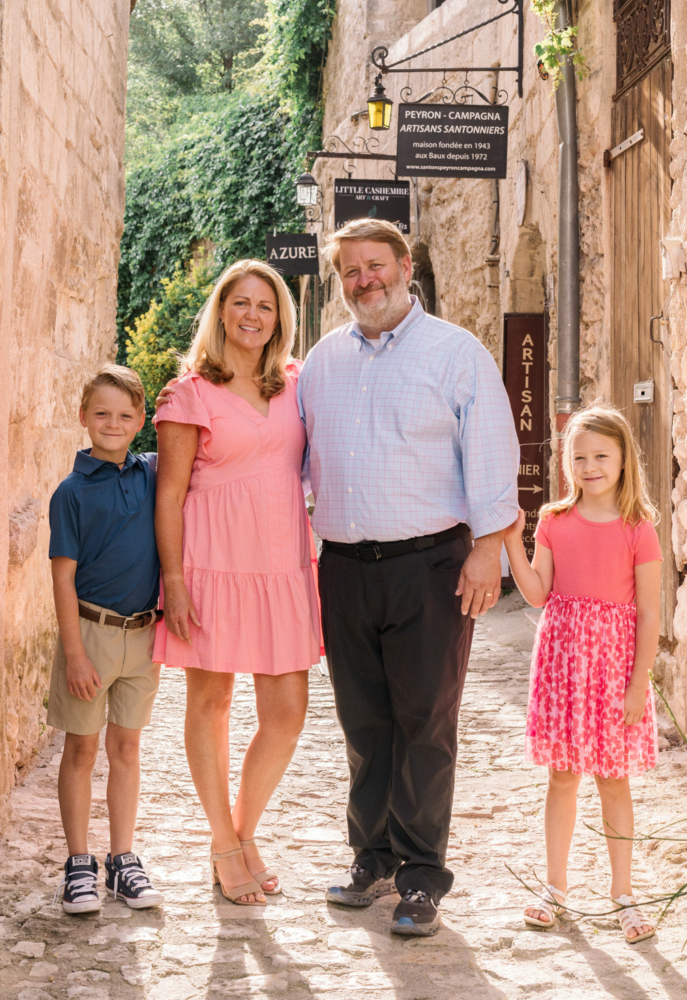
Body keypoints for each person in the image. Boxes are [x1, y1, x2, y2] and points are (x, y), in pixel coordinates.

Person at [297, 219, 520, 938]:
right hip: (344, 568)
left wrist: (489, 549)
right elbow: (299, 464)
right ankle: (372, 857)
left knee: (425, 721)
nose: (365, 280)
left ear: (403, 266)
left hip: (431, 566)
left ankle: (422, 875)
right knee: (363, 723)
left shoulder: (456, 354)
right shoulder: (323, 362)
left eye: (375, 265)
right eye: (351, 272)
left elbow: (490, 452)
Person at [154, 259, 320, 906]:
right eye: (241, 302)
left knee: (287, 714)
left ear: (280, 318)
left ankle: (244, 829)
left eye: (266, 305)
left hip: (281, 565)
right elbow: (169, 496)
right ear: (221, 311)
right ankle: (224, 842)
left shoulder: (297, 384)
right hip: (210, 564)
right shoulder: (189, 393)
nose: (253, 315)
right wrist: (175, 579)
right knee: (212, 704)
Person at [503, 404, 661, 944]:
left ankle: (623, 893)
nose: (589, 466)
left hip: (614, 667)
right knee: (562, 776)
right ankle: (556, 888)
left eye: (601, 455)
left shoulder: (639, 527)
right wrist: (511, 539)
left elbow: (649, 613)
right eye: (579, 456)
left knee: (613, 779)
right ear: (566, 462)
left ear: (622, 460)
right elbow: (538, 593)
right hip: (563, 663)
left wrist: (638, 682)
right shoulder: (553, 521)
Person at [47, 365, 164, 914]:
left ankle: (122, 858)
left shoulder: (153, 474)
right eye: (101, 414)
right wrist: (73, 653)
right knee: (81, 748)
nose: (112, 424)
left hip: (142, 635)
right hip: (89, 635)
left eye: (124, 415)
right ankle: (78, 863)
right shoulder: (70, 493)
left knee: (127, 747)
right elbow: (63, 577)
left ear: (141, 420)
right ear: (82, 417)